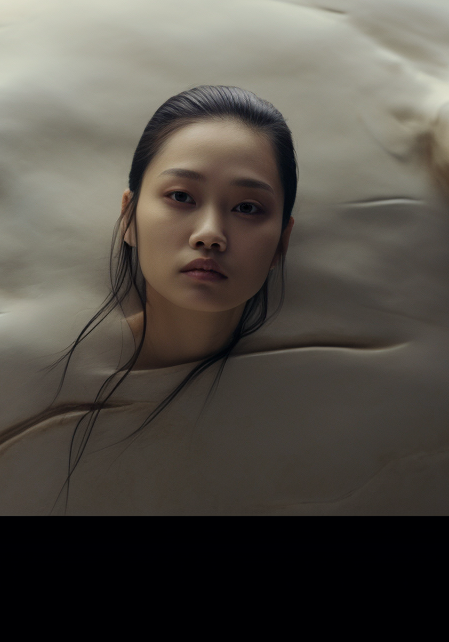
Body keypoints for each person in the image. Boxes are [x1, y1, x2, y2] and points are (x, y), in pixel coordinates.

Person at [55, 84, 298, 486]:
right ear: (129, 217)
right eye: (182, 196)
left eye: (247, 208)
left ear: (282, 243)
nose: (210, 235)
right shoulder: (47, 375)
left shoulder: (301, 407)